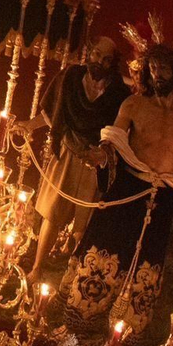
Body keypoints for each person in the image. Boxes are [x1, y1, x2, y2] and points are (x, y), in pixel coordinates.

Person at [63, 43, 173, 337]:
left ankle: (122, 334)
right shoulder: (134, 105)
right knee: (104, 251)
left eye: (163, 68)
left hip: (161, 199)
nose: (157, 74)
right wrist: (102, 154)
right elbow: (112, 141)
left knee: (146, 262)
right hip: (128, 190)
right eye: (153, 69)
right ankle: (82, 320)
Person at [23, 36, 129, 274]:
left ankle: (70, 276)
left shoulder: (118, 93)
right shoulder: (70, 77)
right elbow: (53, 112)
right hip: (67, 152)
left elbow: (120, 133)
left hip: (95, 162)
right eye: (96, 55)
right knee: (53, 213)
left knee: (84, 223)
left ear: (112, 63)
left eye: (106, 59)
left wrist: (102, 154)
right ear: (89, 53)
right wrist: (28, 125)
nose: (99, 62)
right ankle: (38, 268)